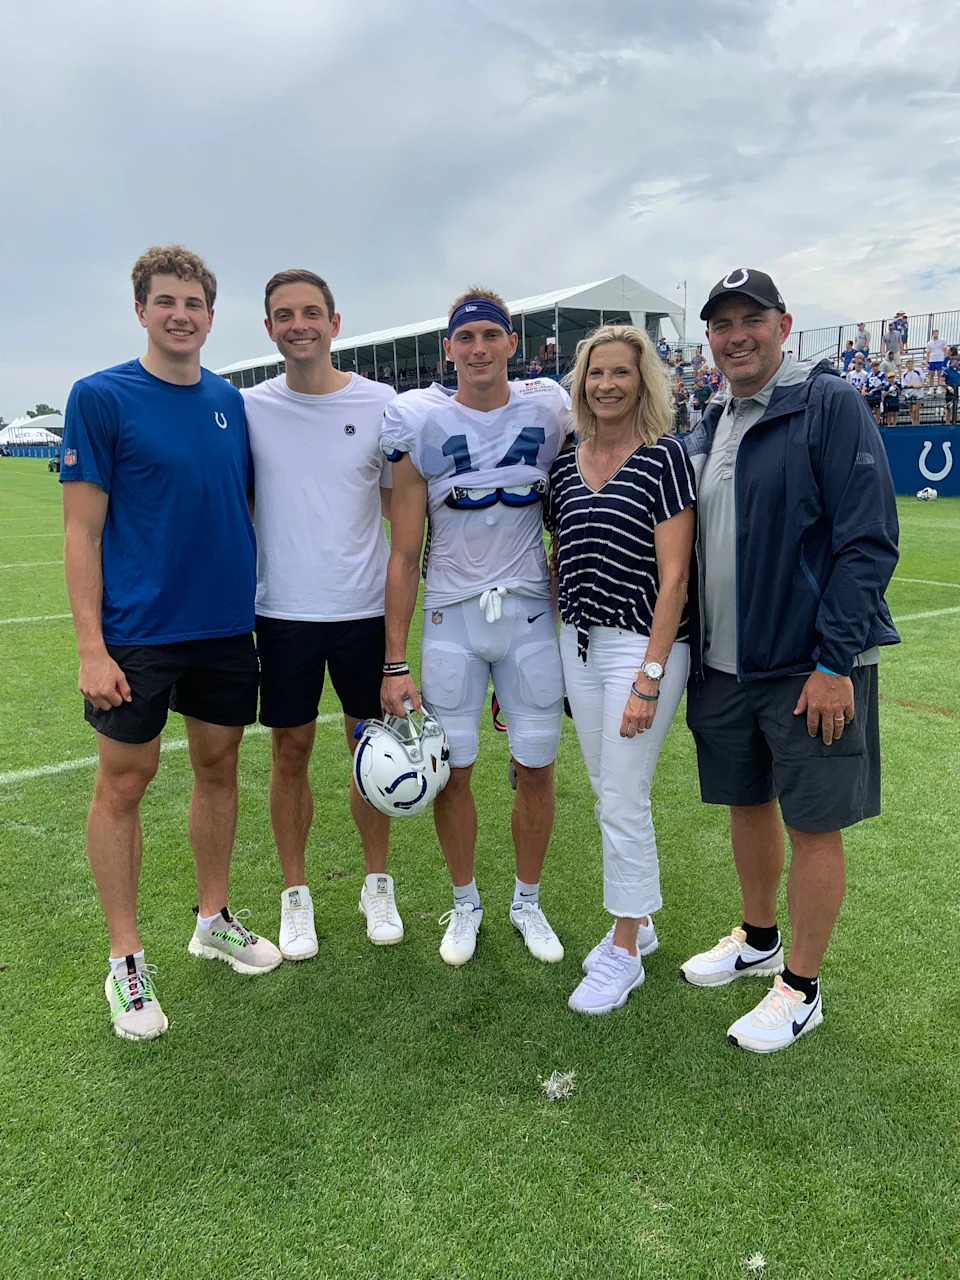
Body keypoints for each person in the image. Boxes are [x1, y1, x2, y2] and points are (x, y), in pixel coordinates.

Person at [61, 245, 281, 1044]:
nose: (180, 314)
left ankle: (212, 917)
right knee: (125, 783)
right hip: (138, 634)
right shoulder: (101, 397)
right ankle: (125, 959)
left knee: (218, 769)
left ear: (211, 316)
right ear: (141, 309)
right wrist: (92, 646)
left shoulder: (231, 401)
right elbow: (81, 533)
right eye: (166, 301)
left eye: (194, 303)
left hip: (225, 626)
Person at [682, 268, 899, 1054]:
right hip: (727, 666)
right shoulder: (712, 418)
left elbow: (867, 539)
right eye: (722, 324)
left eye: (752, 319)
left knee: (813, 824)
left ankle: (801, 988)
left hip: (808, 665)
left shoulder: (828, 403)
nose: (736, 335)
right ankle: (759, 937)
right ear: (708, 337)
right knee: (747, 803)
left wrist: (835, 661)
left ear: (783, 324)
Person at [379, 287, 572, 967]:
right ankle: (465, 904)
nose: (480, 348)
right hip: (451, 619)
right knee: (452, 774)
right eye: (467, 338)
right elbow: (404, 554)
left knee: (537, 768)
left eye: (492, 335)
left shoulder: (550, 408)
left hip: (527, 617)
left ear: (512, 343)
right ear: (449, 349)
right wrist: (393, 661)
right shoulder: (418, 422)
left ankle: (527, 900)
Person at [242, 269, 401, 959]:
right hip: (281, 612)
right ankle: (295, 895)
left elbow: (403, 520)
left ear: (336, 322)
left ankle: (376, 883)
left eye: (312, 312)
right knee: (290, 751)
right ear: (269, 327)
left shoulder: (382, 404)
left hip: (362, 609)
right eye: (285, 314)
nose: (299, 323)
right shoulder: (248, 408)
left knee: (370, 750)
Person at [548, 326, 695, 1014]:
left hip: (641, 647)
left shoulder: (665, 458)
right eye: (595, 373)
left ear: (644, 384)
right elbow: (560, 562)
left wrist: (650, 676)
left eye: (621, 374)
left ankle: (626, 948)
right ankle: (641, 919)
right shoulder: (565, 462)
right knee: (610, 792)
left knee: (626, 796)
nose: (606, 384)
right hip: (577, 644)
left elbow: (675, 579)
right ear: (580, 384)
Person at [901, 358, 924, 425]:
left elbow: (922, 380)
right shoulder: (904, 374)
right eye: (909, 364)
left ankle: (917, 424)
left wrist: (919, 385)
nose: (910, 365)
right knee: (911, 410)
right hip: (908, 393)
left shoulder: (918, 371)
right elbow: (903, 384)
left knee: (915, 410)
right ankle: (913, 423)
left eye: (911, 364)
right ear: (906, 365)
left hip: (917, 393)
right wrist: (911, 385)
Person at [943, 354, 960, 425]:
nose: (956, 364)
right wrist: (948, 387)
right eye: (955, 363)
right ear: (952, 361)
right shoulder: (947, 370)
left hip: (958, 390)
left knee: (956, 408)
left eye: (957, 363)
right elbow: (941, 382)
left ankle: (954, 423)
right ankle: (947, 423)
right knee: (948, 407)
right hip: (950, 390)